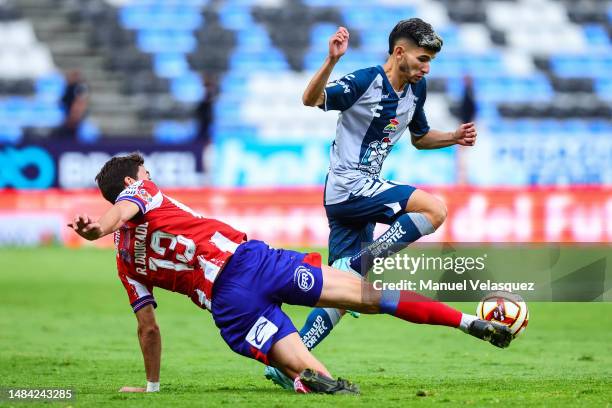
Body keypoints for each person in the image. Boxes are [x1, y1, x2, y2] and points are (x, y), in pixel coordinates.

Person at [68, 153, 511, 394]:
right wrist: (99, 228)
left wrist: (151, 387)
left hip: (230, 308)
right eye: (146, 173)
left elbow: (148, 328)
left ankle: (310, 378)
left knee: (318, 377)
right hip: (251, 263)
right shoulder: (140, 191)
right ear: (132, 182)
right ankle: (469, 322)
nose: (152, 177)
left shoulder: (125, 263)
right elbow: (121, 213)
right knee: (370, 296)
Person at [265, 19, 479, 387]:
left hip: (355, 196)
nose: (427, 68)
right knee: (434, 209)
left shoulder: (417, 89)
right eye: (422, 59)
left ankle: (285, 364)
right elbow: (311, 99)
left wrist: (454, 137)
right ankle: (357, 263)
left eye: (430, 62)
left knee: (343, 292)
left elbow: (421, 137)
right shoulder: (366, 81)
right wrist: (331, 61)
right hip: (350, 186)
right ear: (399, 53)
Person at [58, 69, 89, 138]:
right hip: (68, 116)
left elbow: (80, 102)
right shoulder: (68, 87)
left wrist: (74, 116)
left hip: (73, 118)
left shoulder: (80, 87)